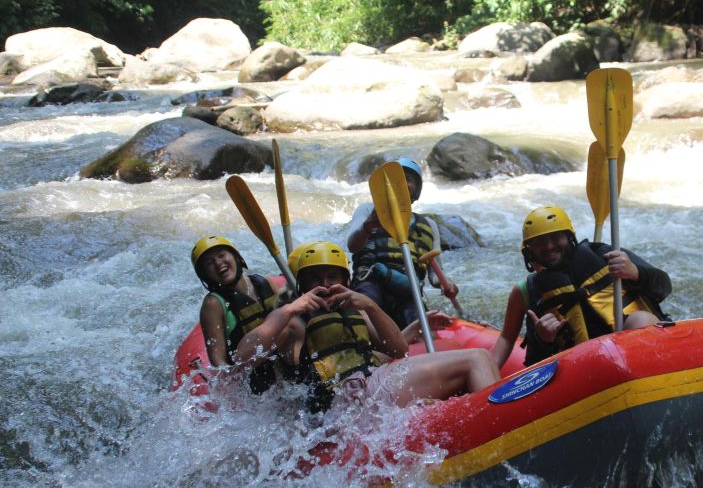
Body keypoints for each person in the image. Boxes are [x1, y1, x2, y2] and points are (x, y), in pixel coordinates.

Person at [235, 242, 499, 413]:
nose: (325, 284)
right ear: (303, 285)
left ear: (345, 281)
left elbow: (398, 349)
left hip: (372, 384)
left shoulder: (356, 310)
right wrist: (290, 308)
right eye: (316, 278)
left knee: (473, 364)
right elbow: (243, 357)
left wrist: (371, 306)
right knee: (477, 357)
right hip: (347, 400)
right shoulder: (293, 322)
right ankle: (500, 425)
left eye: (332, 277)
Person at [490, 206, 672, 368]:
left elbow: (664, 287)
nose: (549, 246)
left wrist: (635, 272)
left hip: (628, 350)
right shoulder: (525, 291)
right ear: (529, 250)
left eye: (555, 237)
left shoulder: (606, 255)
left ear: (569, 238)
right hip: (576, 368)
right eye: (539, 242)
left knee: (641, 320)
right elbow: (510, 341)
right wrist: (543, 339)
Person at [346, 158, 457, 327]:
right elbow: (353, 246)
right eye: (397, 179)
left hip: (408, 289)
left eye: (408, 179)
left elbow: (435, 273)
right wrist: (368, 226)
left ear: (417, 189)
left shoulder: (429, 225)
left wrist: (445, 283)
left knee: (424, 327)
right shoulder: (368, 211)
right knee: (364, 316)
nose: (402, 183)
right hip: (370, 282)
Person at [191, 235, 283, 391]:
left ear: (237, 257)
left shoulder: (265, 282)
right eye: (209, 262)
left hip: (283, 364)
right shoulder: (213, 304)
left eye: (222, 255)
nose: (218, 263)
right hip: (254, 379)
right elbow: (218, 360)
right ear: (205, 275)